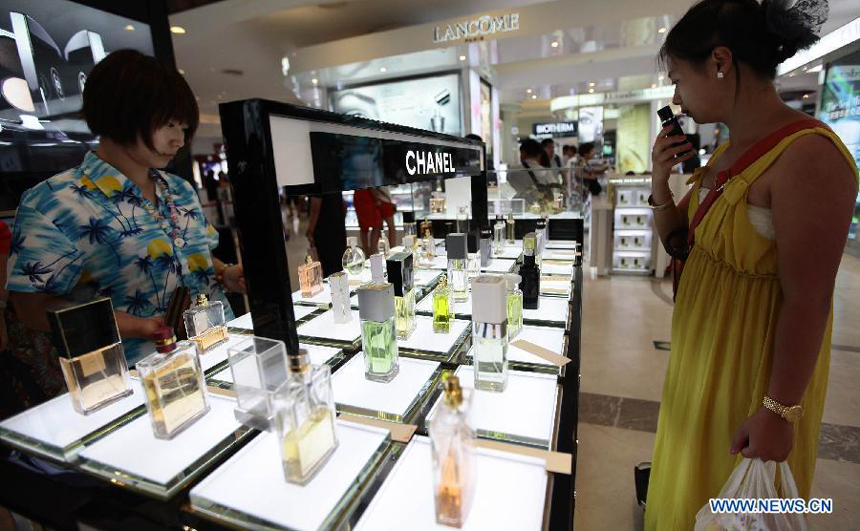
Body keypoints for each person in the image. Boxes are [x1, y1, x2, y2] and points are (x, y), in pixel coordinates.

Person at [646, 1, 856, 529]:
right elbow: (680, 243)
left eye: (678, 78)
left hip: (750, 372)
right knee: (684, 492)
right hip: (700, 357)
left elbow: (809, 297)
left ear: (720, 61)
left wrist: (780, 410)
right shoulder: (726, 152)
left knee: (733, 506)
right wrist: (658, 181)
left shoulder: (808, 156)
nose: (676, 97)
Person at [4, 50, 246, 411]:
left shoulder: (178, 189)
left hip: (220, 348)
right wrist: (130, 325)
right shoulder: (55, 202)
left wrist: (226, 273)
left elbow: (191, 255)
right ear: (120, 115)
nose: (179, 140)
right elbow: (30, 308)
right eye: (168, 125)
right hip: (133, 379)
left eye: (183, 127)